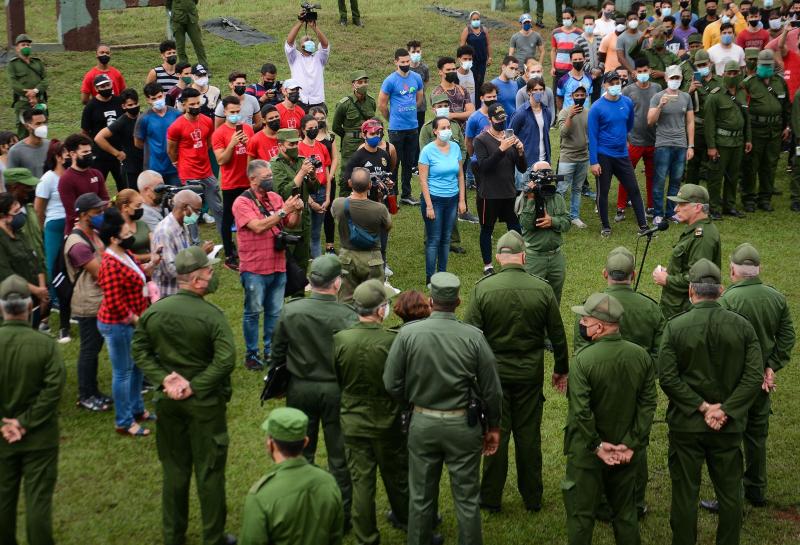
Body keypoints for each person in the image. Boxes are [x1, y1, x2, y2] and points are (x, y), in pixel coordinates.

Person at [383, 271, 502, 545]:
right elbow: (492, 389)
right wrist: (493, 426)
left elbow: (391, 382)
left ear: (431, 301)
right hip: (464, 426)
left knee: (421, 498)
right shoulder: (473, 337)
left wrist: (410, 401)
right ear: (459, 301)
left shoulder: (408, 334)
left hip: (422, 423)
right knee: (467, 500)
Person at [132, 246, 237, 545]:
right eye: (209, 271)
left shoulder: (155, 312)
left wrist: (164, 379)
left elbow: (139, 348)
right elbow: (226, 359)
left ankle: (172, 535)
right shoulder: (212, 316)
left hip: (168, 403)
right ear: (196, 280)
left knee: (175, 471)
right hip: (205, 405)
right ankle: (214, 537)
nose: (213, 274)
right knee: (210, 472)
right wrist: (197, 385)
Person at [657, 258, 763, 545]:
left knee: (684, 495)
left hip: (686, 426)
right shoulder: (743, 327)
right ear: (721, 289)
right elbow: (754, 377)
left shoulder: (675, 326)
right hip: (728, 428)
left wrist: (702, 407)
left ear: (691, 290)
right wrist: (726, 410)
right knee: (730, 495)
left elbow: (667, 377)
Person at [464, 231, 568, 514]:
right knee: (529, 437)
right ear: (524, 256)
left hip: (493, 377)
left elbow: (470, 337)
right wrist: (560, 369)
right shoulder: (543, 289)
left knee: (495, 433)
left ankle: (490, 497)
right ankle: (532, 497)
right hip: (529, 376)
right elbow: (557, 335)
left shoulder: (483, 289)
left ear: (498, 257)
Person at [573, 247, 665, 517]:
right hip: (637, 384)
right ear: (633, 275)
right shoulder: (650, 306)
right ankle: (634, 503)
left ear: (605, 274)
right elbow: (663, 353)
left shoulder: (593, 305)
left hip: (597, 381)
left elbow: (580, 348)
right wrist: (646, 373)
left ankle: (601, 503)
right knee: (637, 435)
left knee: (598, 432)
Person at [270, 254, 358, 529]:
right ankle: (341, 519)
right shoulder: (348, 316)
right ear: (336, 283)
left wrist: (279, 384)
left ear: (310, 282)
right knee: (339, 458)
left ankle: (298, 514)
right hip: (335, 391)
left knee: (298, 455)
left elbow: (278, 353)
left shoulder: (291, 310)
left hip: (300, 388)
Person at [564, 292, 656, 545]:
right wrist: (631, 444)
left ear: (600, 326)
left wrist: (597, 446)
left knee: (581, 515)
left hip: (586, 452)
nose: (581, 324)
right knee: (626, 515)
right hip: (626, 451)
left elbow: (581, 410)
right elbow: (647, 404)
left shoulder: (583, 360)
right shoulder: (641, 357)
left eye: (585, 320)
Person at [715, 243, 795, 508]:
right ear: (758, 269)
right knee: (757, 437)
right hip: (762, 382)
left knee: (730, 439)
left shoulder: (727, 301)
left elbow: (721, 345)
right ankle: (757, 490)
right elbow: (786, 338)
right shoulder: (776, 297)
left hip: (735, 383)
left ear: (732, 271)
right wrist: (770, 367)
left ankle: (731, 495)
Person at [333, 280, 409, 545]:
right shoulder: (392, 341)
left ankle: (366, 536)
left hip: (353, 420)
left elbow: (337, 377)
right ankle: (406, 518)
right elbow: (401, 383)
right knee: (397, 475)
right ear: (379, 311)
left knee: (361, 481)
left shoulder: (341, 339)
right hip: (387, 421)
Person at [0, 274, 65, 545]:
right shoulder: (45, 345)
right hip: (40, 438)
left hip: (2, 440)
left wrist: (5, 425)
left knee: (3, 502)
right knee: (39, 503)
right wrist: (25, 422)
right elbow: (53, 389)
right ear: (30, 308)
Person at [232, 160, 303, 371]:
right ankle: (252, 354)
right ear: (252, 179)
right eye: (266, 177)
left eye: (270, 176)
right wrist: (284, 211)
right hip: (254, 268)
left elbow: (290, 224)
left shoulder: (275, 198)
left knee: (274, 312)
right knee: (253, 312)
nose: (270, 180)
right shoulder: (242, 203)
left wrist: (296, 210)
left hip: (278, 265)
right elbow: (259, 226)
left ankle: (271, 350)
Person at [240, 407, 344, 545]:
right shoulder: (329, 482)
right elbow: (335, 537)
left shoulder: (260, 497)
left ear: (270, 444)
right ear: (305, 442)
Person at [96, 207, 155, 437]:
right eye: (125, 232)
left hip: (134, 321)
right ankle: (124, 421)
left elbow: (138, 274)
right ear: (113, 238)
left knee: (138, 366)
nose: (130, 234)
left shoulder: (125, 254)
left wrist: (152, 265)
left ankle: (137, 409)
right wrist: (135, 320)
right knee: (123, 372)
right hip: (119, 325)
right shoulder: (110, 265)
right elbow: (114, 303)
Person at [64, 193, 110, 412]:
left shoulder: (95, 232)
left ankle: (94, 391)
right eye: (96, 212)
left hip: (100, 300)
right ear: (83, 215)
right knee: (89, 350)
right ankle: (85, 395)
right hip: (87, 303)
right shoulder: (76, 243)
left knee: (95, 348)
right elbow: (100, 273)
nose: (101, 215)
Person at [589, 71, 649, 237]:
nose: (615, 85)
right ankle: (606, 226)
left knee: (634, 189)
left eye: (617, 82)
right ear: (604, 85)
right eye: (611, 83)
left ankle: (644, 226)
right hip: (603, 155)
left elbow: (628, 125)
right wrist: (594, 161)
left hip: (622, 154)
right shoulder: (596, 107)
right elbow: (592, 136)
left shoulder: (627, 102)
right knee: (604, 191)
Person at [652, 184, 721, 318]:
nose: (676, 209)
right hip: (678, 307)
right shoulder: (695, 230)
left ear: (697, 207)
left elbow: (699, 279)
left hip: (684, 311)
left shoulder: (702, 237)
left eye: (682, 205)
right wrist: (671, 271)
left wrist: (667, 280)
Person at [473, 104, 525, 273]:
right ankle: (488, 265)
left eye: (503, 119)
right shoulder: (480, 140)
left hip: (508, 192)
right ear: (490, 120)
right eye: (498, 119)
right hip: (489, 194)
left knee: (515, 227)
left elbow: (523, 168)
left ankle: (520, 258)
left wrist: (521, 151)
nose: (501, 122)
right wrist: (501, 149)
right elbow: (484, 167)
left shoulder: (511, 137)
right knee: (487, 229)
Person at [167, 87, 224, 234]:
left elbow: (209, 142)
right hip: (189, 173)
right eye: (192, 104)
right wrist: (176, 162)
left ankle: (225, 238)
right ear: (184, 105)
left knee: (217, 207)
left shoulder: (206, 121)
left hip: (206, 171)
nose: (195, 106)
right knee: (190, 211)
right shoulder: (176, 126)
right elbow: (171, 149)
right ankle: (194, 244)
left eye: (198, 103)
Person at [330, 168, 391, 303]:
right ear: (369, 185)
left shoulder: (338, 204)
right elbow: (388, 226)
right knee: (373, 302)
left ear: (350, 183)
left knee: (346, 302)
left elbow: (334, 215)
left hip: (347, 257)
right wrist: (380, 199)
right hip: (372, 258)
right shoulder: (379, 208)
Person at [418, 117, 465, 285]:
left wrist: (462, 200)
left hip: (452, 199)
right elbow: (423, 180)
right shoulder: (427, 151)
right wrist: (429, 206)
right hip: (434, 200)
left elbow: (460, 175)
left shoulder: (456, 148)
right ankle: (430, 279)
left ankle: (442, 274)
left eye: (448, 127)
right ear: (435, 131)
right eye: (443, 127)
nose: (447, 130)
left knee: (446, 239)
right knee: (434, 240)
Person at [741, 50, 789, 212]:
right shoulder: (749, 83)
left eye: (769, 65)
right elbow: (742, 108)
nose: (766, 68)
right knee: (751, 165)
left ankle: (765, 198)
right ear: (758, 65)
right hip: (755, 129)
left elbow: (786, 107)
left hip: (775, 130)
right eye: (763, 65)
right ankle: (748, 198)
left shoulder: (780, 83)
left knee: (770, 164)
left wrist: (787, 126)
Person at [647, 65, 694, 225]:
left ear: (681, 79)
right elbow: (650, 121)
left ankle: (671, 212)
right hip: (663, 144)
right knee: (659, 180)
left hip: (680, 145)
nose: (674, 81)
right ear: (666, 78)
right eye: (672, 78)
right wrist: (660, 106)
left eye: (677, 78)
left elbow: (690, 122)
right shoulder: (657, 96)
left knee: (676, 180)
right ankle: (658, 213)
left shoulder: (686, 97)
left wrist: (691, 145)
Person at [517, 161, 571, 303]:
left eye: (548, 172)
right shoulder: (525, 197)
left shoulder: (557, 197)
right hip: (534, 259)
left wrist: (552, 221)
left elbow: (567, 222)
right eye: (542, 173)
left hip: (556, 258)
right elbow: (526, 224)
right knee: (533, 300)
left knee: (555, 298)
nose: (546, 176)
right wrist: (531, 199)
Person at [703, 60, 750, 218]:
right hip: (721, 142)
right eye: (729, 73)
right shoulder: (715, 96)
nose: (732, 76)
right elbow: (709, 123)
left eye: (735, 73)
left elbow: (746, 118)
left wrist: (748, 139)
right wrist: (711, 146)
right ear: (723, 74)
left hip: (738, 141)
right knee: (716, 176)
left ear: (740, 73)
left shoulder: (743, 93)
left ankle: (729, 205)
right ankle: (714, 207)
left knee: (734, 174)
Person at [213, 95, 255, 270]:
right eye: (232, 112)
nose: (236, 115)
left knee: (250, 217)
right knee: (228, 219)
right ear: (225, 112)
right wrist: (232, 144)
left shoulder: (248, 129)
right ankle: (230, 254)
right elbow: (221, 160)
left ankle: (250, 249)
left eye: (238, 112)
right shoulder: (219, 134)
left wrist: (249, 143)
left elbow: (254, 154)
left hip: (248, 182)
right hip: (231, 183)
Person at [379, 49, 424, 206]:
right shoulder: (390, 80)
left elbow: (419, 98)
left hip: (412, 127)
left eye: (407, 61)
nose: (406, 64)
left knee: (409, 162)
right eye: (402, 62)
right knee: (394, 163)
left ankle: (406, 194)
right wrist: (392, 119)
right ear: (396, 62)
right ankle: (392, 195)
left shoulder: (417, 77)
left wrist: (410, 111)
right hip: (396, 129)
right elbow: (382, 105)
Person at [271, 128, 318, 277]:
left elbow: (314, 189)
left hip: (304, 220)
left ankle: (299, 294)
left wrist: (312, 176)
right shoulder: (275, 165)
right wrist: (302, 173)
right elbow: (283, 193)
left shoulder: (300, 161)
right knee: (286, 265)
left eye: (296, 144)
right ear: (280, 146)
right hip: (287, 221)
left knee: (303, 263)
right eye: (290, 145)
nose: (294, 148)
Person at [619, 57, 661, 223]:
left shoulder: (657, 88)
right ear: (634, 73)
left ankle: (651, 206)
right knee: (626, 174)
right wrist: (626, 137)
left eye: (646, 71)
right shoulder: (628, 91)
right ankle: (621, 207)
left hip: (653, 140)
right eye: (640, 71)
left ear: (650, 71)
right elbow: (623, 116)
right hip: (634, 141)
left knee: (652, 176)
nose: (643, 74)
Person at [151, 189, 208, 298]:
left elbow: (184, 255)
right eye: (196, 211)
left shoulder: (182, 225)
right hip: (170, 295)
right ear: (186, 208)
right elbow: (170, 271)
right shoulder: (165, 232)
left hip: (184, 292)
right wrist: (200, 255)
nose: (198, 214)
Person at [58, 133, 110, 234]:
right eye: (85, 152)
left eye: (90, 151)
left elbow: (105, 200)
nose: (89, 155)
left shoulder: (97, 174)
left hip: (99, 227)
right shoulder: (66, 180)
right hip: (78, 231)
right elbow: (72, 213)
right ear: (73, 154)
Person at [95, 88, 145, 191]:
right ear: (123, 106)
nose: (134, 107)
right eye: (130, 105)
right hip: (131, 168)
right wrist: (117, 153)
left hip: (147, 164)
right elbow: (99, 138)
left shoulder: (145, 117)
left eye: (135, 104)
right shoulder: (121, 122)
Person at [81, 75, 125, 191]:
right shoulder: (90, 106)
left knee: (124, 185)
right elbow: (84, 132)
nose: (106, 88)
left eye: (108, 85)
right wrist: (89, 150)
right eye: (102, 86)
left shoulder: (120, 101)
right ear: (96, 89)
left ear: (112, 84)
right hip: (100, 154)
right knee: (97, 187)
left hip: (120, 152)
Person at [685, 50, 722, 185]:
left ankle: (712, 197)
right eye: (699, 66)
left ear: (710, 63)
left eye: (704, 64)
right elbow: (682, 103)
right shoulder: (692, 82)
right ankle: (690, 197)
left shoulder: (720, 82)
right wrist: (690, 90)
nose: (702, 68)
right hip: (698, 127)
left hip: (715, 127)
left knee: (714, 163)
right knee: (693, 164)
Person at [297, 115, 332, 259]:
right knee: (306, 231)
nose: (314, 130)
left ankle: (317, 262)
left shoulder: (322, 147)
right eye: (310, 128)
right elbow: (299, 176)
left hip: (322, 192)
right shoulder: (299, 148)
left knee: (316, 233)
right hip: (306, 194)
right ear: (303, 130)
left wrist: (328, 198)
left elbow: (327, 174)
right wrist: (311, 201)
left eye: (316, 128)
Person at [556, 85, 591, 228]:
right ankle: (559, 216)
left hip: (584, 157)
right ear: (571, 97)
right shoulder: (564, 112)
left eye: (582, 95)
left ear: (586, 96)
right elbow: (563, 133)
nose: (580, 98)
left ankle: (574, 216)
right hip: (567, 157)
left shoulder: (589, 112)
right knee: (561, 189)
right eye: (577, 96)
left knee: (577, 189)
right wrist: (570, 116)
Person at [134, 83, 182, 186]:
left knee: (177, 199)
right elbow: (138, 142)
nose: (158, 100)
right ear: (148, 100)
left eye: (160, 96)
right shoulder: (144, 118)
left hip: (174, 167)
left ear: (164, 95)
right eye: (153, 98)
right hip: (154, 169)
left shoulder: (176, 114)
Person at [332, 70, 376, 179]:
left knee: (368, 169)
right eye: (360, 82)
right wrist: (348, 135)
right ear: (353, 85)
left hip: (367, 141)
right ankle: (345, 195)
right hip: (350, 144)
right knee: (347, 173)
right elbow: (336, 127)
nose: (363, 85)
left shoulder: (371, 102)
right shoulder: (344, 104)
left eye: (365, 81)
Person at [510, 78, 552, 189]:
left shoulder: (546, 111)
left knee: (542, 196)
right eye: (535, 89)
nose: (538, 92)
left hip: (543, 161)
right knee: (525, 196)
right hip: (526, 162)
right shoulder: (521, 113)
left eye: (541, 89)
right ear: (529, 92)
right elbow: (510, 134)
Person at [285, 13, 330, 111]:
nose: (308, 42)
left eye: (310, 41)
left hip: (318, 103)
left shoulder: (319, 58)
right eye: (305, 41)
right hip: (300, 102)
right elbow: (289, 42)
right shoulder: (294, 57)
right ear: (300, 45)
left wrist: (314, 27)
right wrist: (300, 22)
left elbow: (325, 44)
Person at [7, 34, 48, 138]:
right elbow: (13, 83)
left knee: (41, 131)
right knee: (23, 132)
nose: (26, 47)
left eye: (28, 45)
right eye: (23, 44)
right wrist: (29, 94)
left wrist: (35, 91)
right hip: (23, 104)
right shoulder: (13, 64)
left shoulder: (37, 63)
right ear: (17, 48)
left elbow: (45, 80)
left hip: (39, 102)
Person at [460, 11, 493, 106]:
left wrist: (489, 57)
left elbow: (488, 44)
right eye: (474, 19)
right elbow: (462, 46)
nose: (476, 21)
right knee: (472, 81)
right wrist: (463, 59)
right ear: (470, 20)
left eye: (477, 19)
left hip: (482, 60)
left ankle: (479, 103)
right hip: (471, 62)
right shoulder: (467, 30)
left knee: (480, 81)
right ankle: (470, 103)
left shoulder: (484, 30)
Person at [551, 9, 584, 100]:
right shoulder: (555, 32)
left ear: (573, 18)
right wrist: (552, 67)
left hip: (573, 69)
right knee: (557, 95)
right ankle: (557, 114)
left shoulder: (580, 33)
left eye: (568, 18)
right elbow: (553, 50)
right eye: (564, 18)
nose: (566, 20)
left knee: (572, 94)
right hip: (559, 69)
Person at [7, 108, 50, 178]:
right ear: (27, 126)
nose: (43, 126)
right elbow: (11, 180)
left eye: (44, 122)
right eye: (38, 124)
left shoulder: (50, 146)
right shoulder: (16, 151)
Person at [113, 189, 153, 262]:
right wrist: (151, 256)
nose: (141, 209)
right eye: (138, 206)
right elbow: (125, 256)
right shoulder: (118, 229)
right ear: (125, 207)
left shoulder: (142, 223)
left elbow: (154, 244)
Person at [168, 0, 208, 68]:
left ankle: (203, 66)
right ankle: (184, 66)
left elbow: (195, 1)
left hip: (191, 18)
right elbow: (168, 3)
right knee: (180, 45)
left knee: (198, 43)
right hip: (177, 20)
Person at [407, 41, 431, 132]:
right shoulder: (405, 68)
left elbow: (426, 81)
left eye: (418, 51)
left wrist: (421, 93)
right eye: (413, 52)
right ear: (408, 53)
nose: (416, 54)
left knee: (420, 129)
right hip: (407, 105)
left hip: (421, 106)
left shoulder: (424, 68)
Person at [616, 12, 645, 78]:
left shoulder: (643, 35)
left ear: (639, 20)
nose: (633, 21)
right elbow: (620, 58)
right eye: (631, 19)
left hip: (643, 73)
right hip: (629, 74)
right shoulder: (621, 37)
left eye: (635, 19)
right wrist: (632, 71)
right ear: (627, 21)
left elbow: (647, 53)